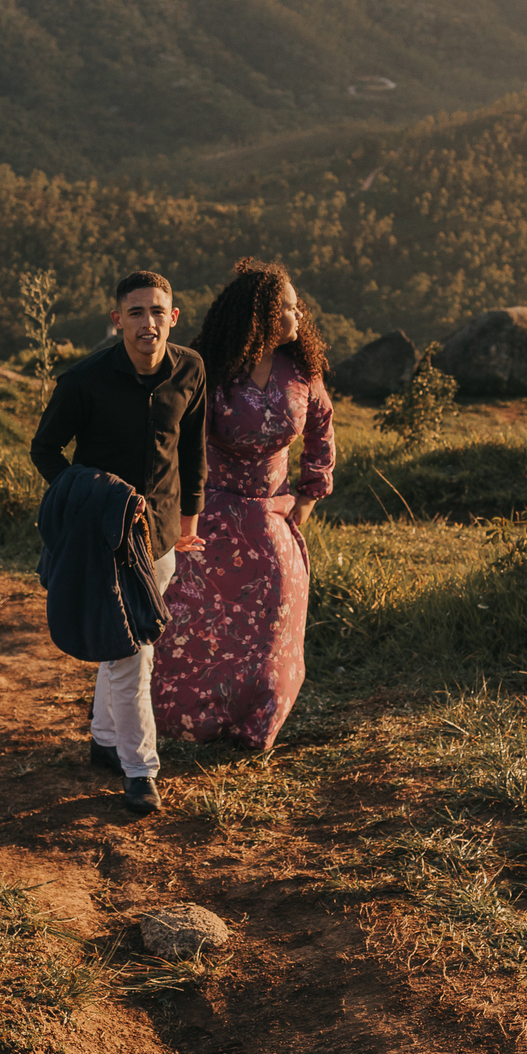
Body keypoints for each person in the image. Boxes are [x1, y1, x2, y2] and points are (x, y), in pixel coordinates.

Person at [31, 270, 206, 815]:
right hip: (105, 540)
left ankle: (104, 740)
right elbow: (45, 450)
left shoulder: (192, 370)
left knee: (124, 645)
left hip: (161, 539)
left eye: (158, 311)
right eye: (136, 312)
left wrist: (189, 522)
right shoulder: (84, 381)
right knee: (134, 653)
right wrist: (84, 498)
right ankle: (140, 769)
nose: (147, 322)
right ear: (118, 320)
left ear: (173, 318)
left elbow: (194, 451)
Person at [151, 257, 335, 752]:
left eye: (297, 308)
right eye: (290, 308)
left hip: (272, 514)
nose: (299, 316)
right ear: (263, 316)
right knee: (191, 620)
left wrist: (310, 493)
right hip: (208, 515)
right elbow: (176, 441)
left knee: (272, 622)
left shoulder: (300, 371)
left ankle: (254, 728)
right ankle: (179, 724)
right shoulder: (210, 369)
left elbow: (321, 428)